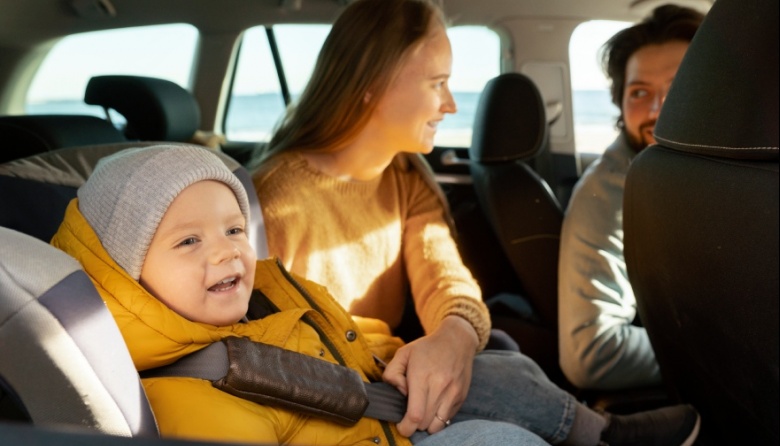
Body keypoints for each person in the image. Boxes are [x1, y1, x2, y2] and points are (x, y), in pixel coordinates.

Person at [51, 144, 700, 446]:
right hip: (369, 434)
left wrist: (416, 348)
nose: (225, 251)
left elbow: (340, 332)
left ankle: (602, 436)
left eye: (230, 230)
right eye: (188, 243)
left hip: (376, 403)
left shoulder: (272, 291)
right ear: (124, 268)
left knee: (502, 362)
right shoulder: (184, 389)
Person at [558, 4, 705, 391]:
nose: (659, 110)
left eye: (679, 88)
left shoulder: (703, 175)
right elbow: (591, 352)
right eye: (640, 92)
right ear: (620, 104)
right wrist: (730, 352)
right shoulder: (610, 194)